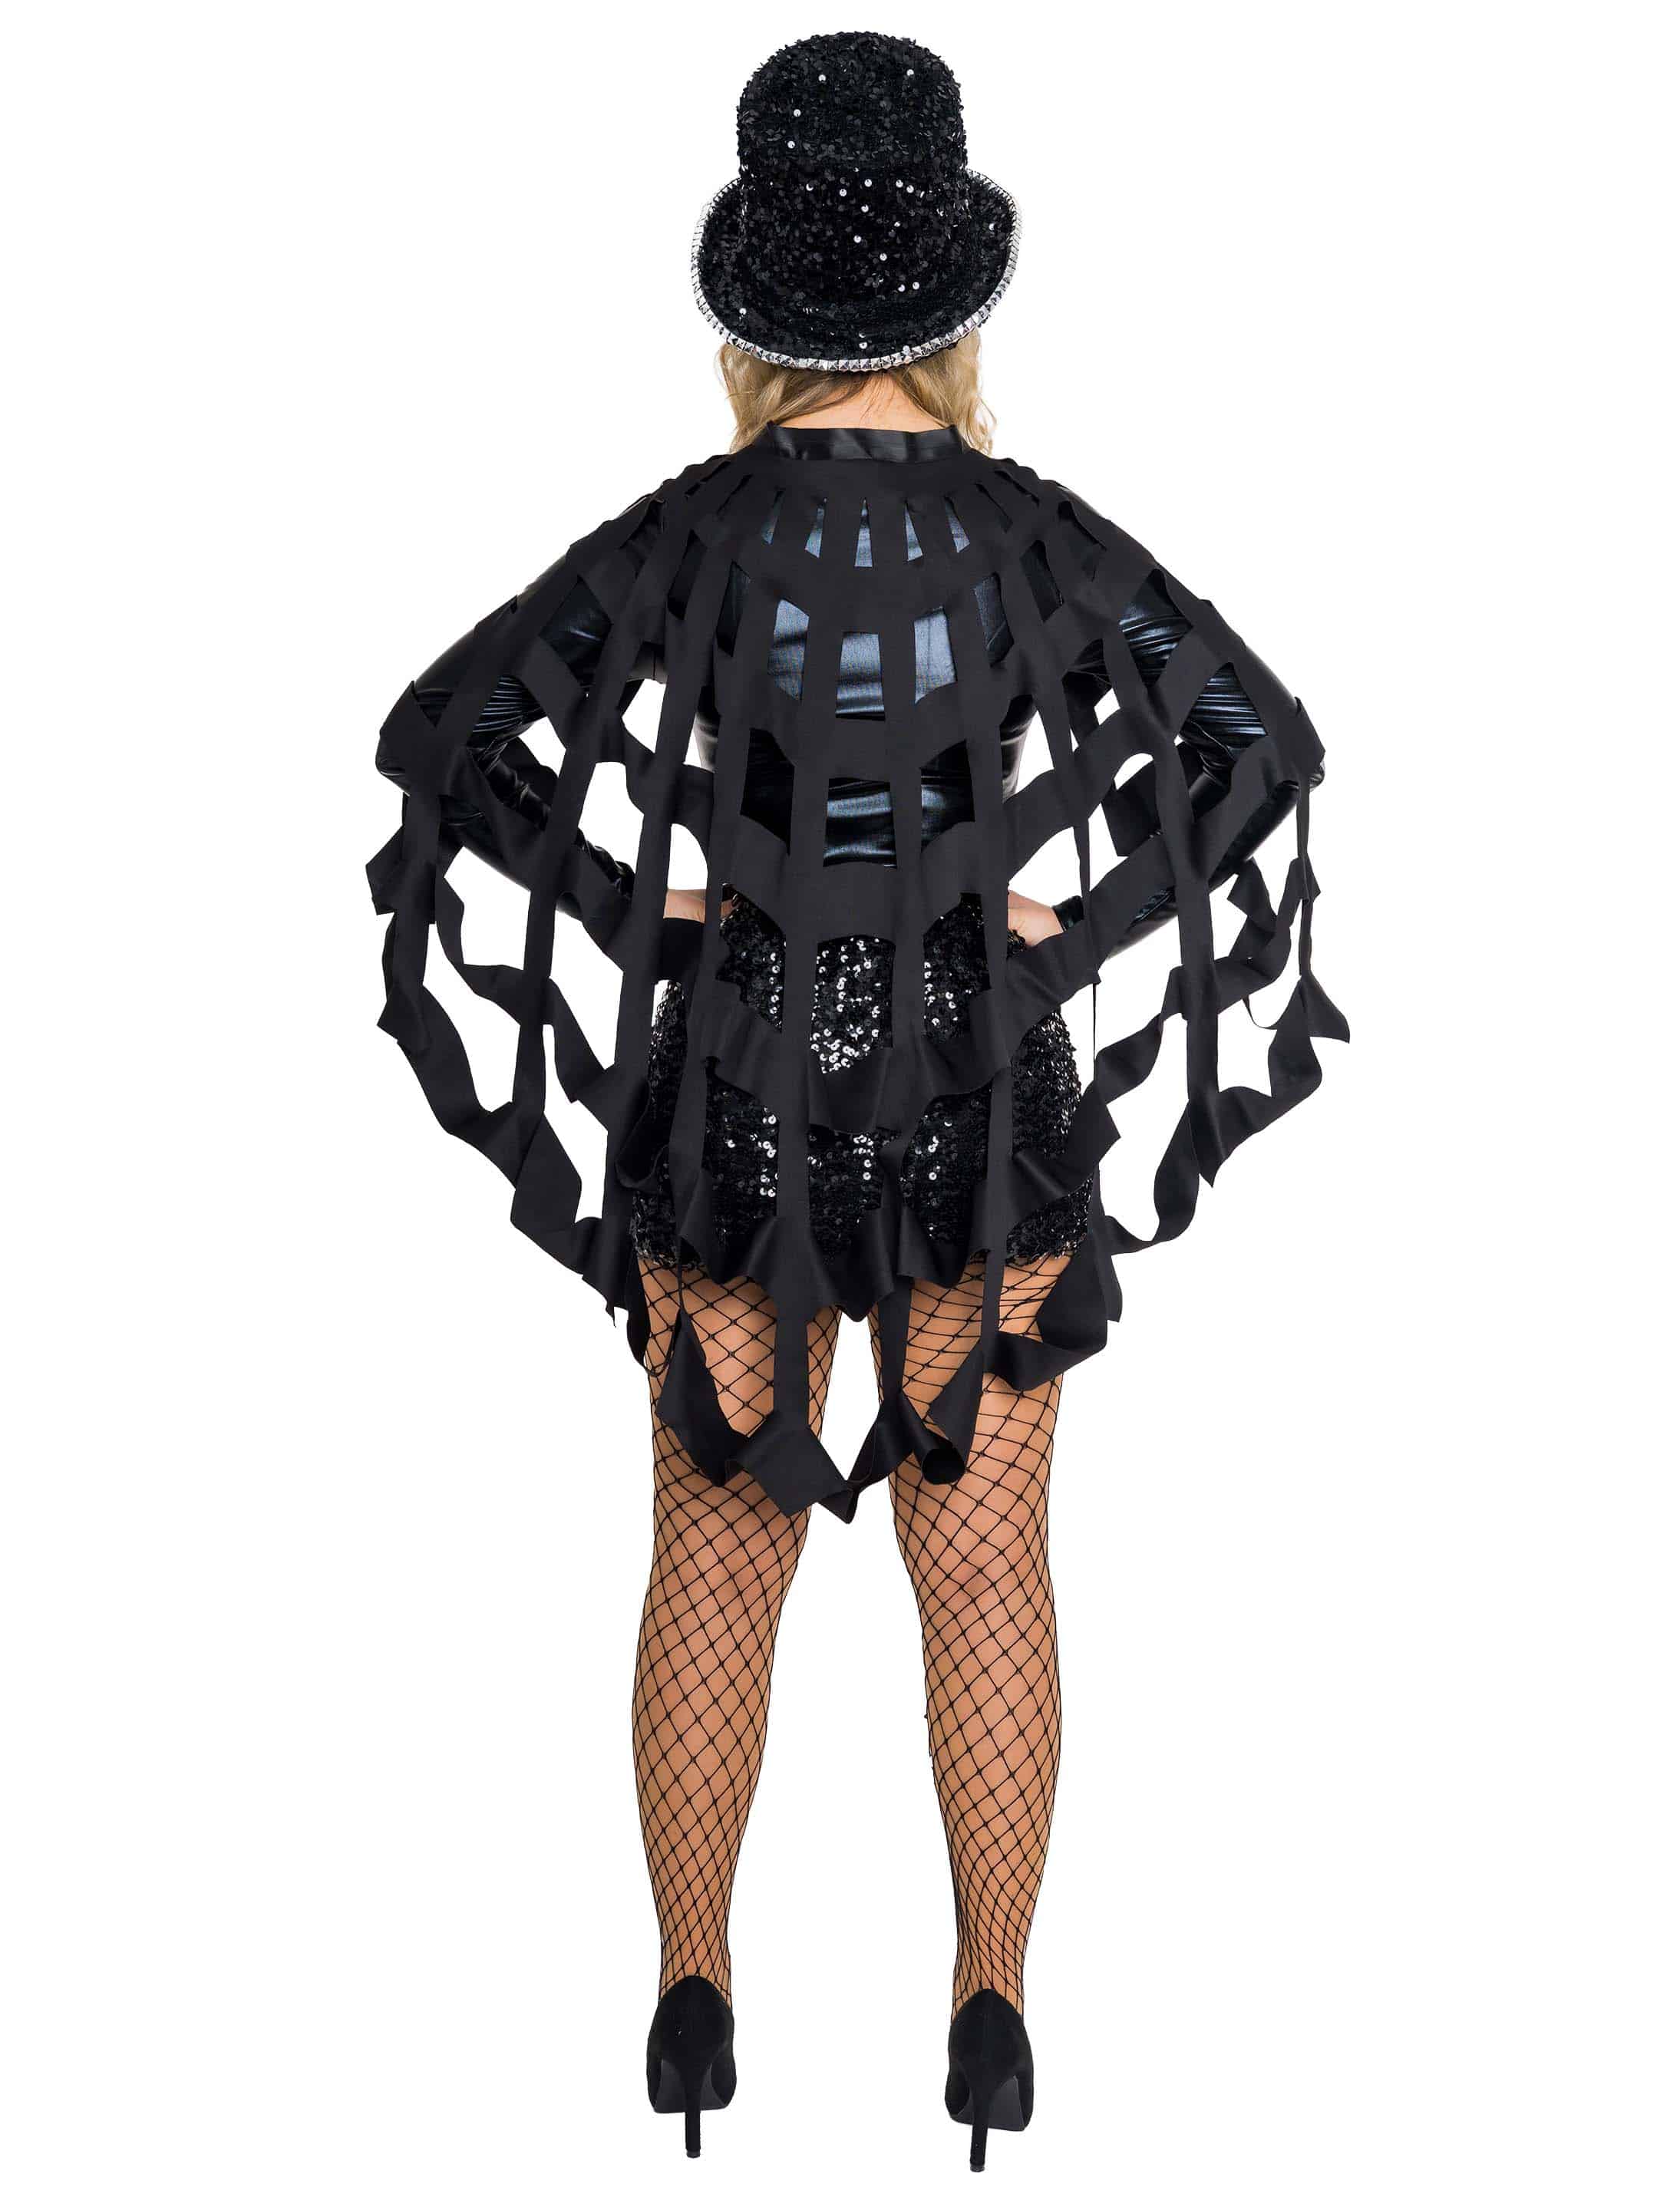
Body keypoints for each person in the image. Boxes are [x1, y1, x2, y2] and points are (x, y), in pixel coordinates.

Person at [368, 31, 1344, 2170]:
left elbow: (451, 742)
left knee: (713, 1562)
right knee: (985, 1575)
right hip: (976, 1082)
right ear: (956, 291)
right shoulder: (1034, 544)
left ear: (756, 300)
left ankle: (690, 2001)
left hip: (733, 1078)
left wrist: (667, 896)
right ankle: (993, 2019)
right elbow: (1254, 747)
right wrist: (1036, 922)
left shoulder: (689, 542)